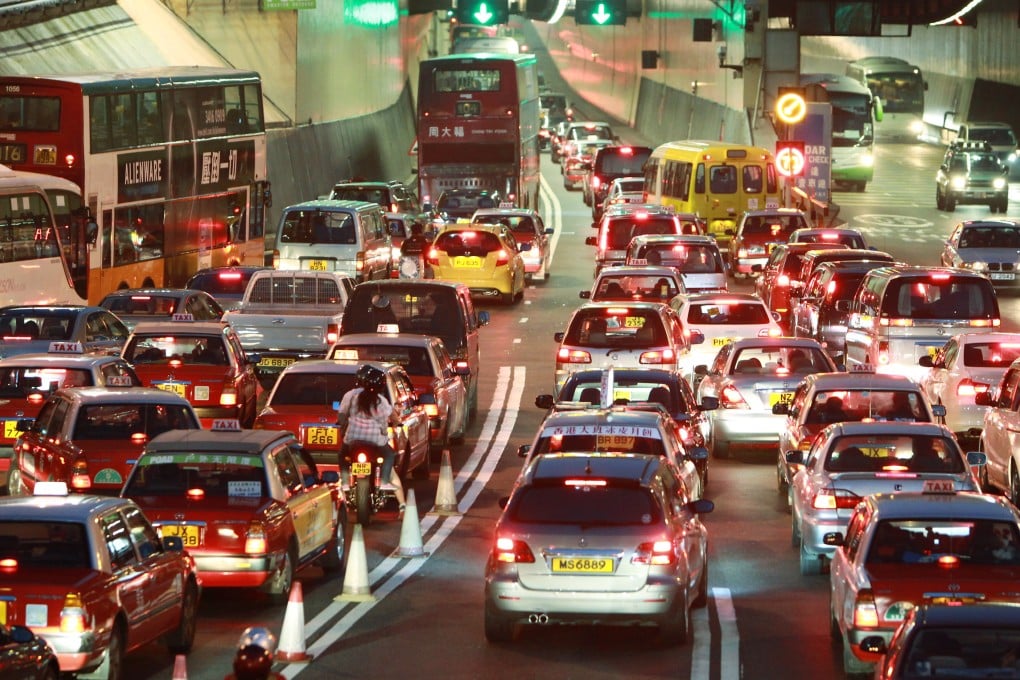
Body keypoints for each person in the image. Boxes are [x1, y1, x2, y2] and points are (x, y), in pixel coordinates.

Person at [337, 364, 406, 513]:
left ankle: (344, 482)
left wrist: (343, 428)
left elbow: (343, 415)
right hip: (375, 441)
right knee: (389, 455)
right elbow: (390, 417)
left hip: (353, 438)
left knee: (342, 455)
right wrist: (396, 424)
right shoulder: (380, 401)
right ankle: (385, 481)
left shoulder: (352, 397)